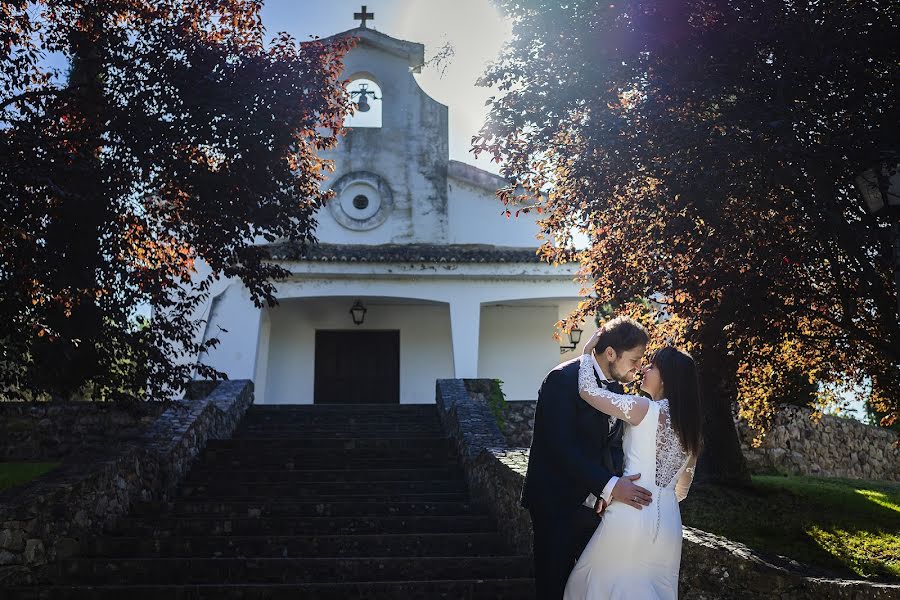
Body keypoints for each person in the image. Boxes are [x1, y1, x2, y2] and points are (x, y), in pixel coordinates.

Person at [563, 330, 702, 600]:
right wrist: (661, 498)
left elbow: (587, 391)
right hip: (670, 525)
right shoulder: (691, 430)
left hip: (632, 513)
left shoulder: (644, 409)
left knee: (592, 584)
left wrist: (585, 355)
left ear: (665, 379)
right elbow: (682, 489)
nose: (645, 369)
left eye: (652, 366)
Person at [521, 316, 654, 599]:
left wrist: (610, 485)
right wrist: (611, 484)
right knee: (553, 588)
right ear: (610, 353)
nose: (638, 368)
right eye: (635, 359)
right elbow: (561, 447)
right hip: (555, 503)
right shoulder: (562, 379)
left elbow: (612, 444)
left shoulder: (616, 387)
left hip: (595, 507)